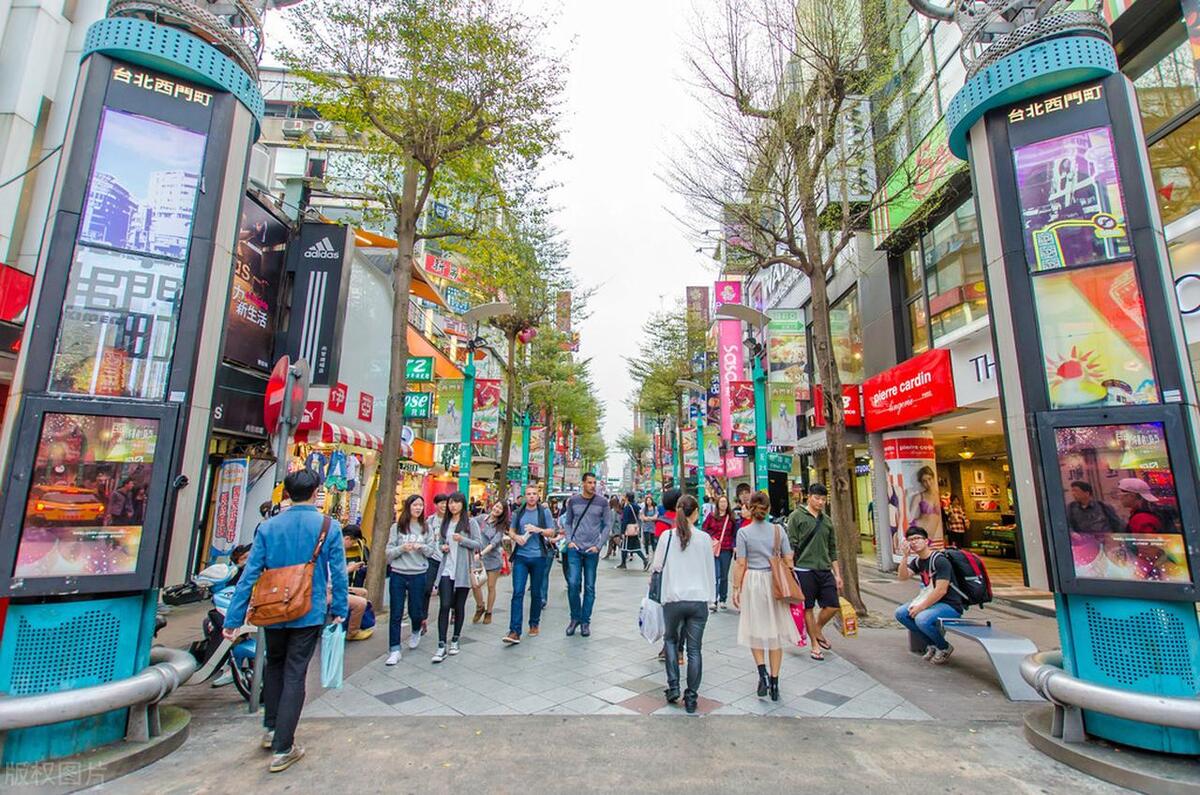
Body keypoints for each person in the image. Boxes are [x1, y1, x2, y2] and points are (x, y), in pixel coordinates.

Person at [222, 469, 347, 773]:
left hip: (272, 609)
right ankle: (283, 746)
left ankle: (271, 728)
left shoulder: (268, 527)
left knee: (273, 664)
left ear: (287, 494)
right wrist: (340, 608)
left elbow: (249, 574)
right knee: (295, 672)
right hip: (308, 609)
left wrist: (234, 617)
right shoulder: (327, 526)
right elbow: (339, 572)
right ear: (316, 492)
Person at [731, 492, 799, 702]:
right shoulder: (779, 530)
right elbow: (789, 558)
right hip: (774, 581)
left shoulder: (743, 533)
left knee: (755, 628)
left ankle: (762, 673)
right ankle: (775, 681)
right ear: (769, 509)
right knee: (775, 632)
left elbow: (741, 563)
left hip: (753, 581)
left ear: (749, 508)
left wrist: (736, 588)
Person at [652, 495, 715, 714]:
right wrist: (711, 598)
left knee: (671, 640)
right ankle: (691, 697)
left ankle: (673, 688)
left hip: (673, 598)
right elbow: (710, 569)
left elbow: (657, 566)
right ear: (695, 512)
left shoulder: (667, 537)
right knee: (695, 649)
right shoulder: (705, 538)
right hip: (698, 600)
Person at [786, 483, 841, 661]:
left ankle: (816, 629)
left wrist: (838, 574)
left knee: (832, 605)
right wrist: (789, 569)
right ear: (808, 497)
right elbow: (791, 544)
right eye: (817, 498)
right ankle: (815, 645)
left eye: (823, 499)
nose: (820, 502)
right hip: (803, 568)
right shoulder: (796, 516)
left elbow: (832, 548)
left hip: (824, 568)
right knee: (808, 607)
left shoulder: (826, 520)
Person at [896, 526, 963, 664]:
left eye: (917, 538)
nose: (913, 542)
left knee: (921, 618)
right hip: (933, 603)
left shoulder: (940, 560)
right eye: (910, 540)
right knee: (901, 613)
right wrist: (905, 557)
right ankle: (932, 644)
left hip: (950, 605)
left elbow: (941, 590)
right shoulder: (918, 561)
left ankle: (944, 647)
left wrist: (920, 607)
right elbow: (902, 577)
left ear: (926, 541)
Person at [384, 495, 436, 664]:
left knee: (416, 610)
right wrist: (402, 548)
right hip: (398, 573)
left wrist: (421, 547)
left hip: (418, 574)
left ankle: (416, 628)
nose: (418, 508)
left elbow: (431, 551)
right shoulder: (397, 527)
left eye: (421, 505)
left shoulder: (426, 528)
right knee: (396, 612)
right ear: (408, 507)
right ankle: (394, 649)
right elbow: (389, 552)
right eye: (415, 505)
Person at [432, 492, 482, 662]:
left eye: (456, 503)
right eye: (450, 503)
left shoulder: (470, 523)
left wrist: (462, 539)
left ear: (463, 504)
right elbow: (440, 543)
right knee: (444, 605)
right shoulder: (445, 523)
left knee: (458, 606)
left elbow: (478, 544)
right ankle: (440, 645)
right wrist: (443, 547)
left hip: (462, 571)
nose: (453, 506)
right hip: (446, 569)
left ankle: (455, 639)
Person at [504, 484, 555, 644]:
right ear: (525, 496)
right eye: (529, 494)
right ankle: (514, 630)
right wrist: (515, 537)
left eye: (534, 494)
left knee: (536, 592)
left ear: (538, 496)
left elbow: (551, 531)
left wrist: (537, 529)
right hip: (521, 556)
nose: (531, 496)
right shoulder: (519, 512)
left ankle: (534, 623)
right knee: (518, 592)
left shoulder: (544, 512)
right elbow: (511, 530)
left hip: (539, 556)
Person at [562, 472, 608, 637]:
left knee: (589, 586)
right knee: (573, 583)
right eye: (589, 482)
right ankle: (575, 618)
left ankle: (585, 621)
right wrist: (569, 541)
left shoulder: (602, 502)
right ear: (583, 483)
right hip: (575, 548)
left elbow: (607, 526)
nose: (592, 485)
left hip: (592, 551)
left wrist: (598, 545)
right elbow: (567, 522)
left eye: (594, 483)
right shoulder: (573, 501)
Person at [471, 498, 509, 624]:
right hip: (478, 558)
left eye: (500, 509)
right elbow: (469, 525)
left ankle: (489, 612)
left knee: (491, 586)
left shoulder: (501, 526)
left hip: (492, 559)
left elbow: (494, 543)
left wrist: (481, 554)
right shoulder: (482, 518)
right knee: (475, 584)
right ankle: (480, 606)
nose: (496, 509)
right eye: (496, 506)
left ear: (502, 513)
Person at [703, 494, 737, 612]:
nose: (723, 504)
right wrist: (712, 539)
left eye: (725, 502)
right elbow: (704, 529)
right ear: (717, 504)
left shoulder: (731, 518)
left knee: (723, 576)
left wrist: (734, 546)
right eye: (721, 502)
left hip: (726, 549)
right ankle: (714, 600)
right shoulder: (711, 516)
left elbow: (734, 534)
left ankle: (723, 598)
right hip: (713, 549)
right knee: (715, 575)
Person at [421, 493, 448, 637]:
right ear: (435, 505)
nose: (443, 505)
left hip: (448, 560)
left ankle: (450, 613)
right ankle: (423, 618)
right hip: (432, 558)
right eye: (440, 503)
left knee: (446, 591)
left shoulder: (452, 522)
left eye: (446, 503)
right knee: (426, 588)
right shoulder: (429, 521)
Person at [907, 465, 942, 538]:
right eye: (924, 481)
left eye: (929, 479)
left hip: (932, 536)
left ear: (933, 478)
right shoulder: (919, 496)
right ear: (921, 483)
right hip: (919, 532)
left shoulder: (940, 495)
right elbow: (910, 518)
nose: (928, 483)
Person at [618, 491, 647, 569]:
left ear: (627, 498)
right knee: (636, 547)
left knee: (624, 547)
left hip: (628, 529)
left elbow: (625, 520)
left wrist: (622, 531)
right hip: (635, 529)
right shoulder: (637, 506)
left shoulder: (627, 507)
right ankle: (645, 560)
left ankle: (623, 563)